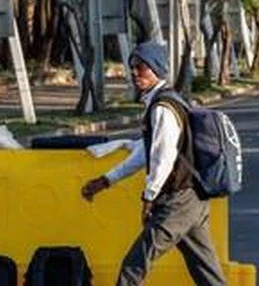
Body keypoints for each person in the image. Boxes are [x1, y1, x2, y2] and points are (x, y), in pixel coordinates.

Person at [80, 41, 226, 286]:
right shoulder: (164, 102)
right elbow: (144, 152)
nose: (135, 73)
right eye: (133, 67)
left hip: (177, 201)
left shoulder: (163, 108)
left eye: (142, 68)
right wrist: (107, 180)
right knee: (206, 273)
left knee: (134, 265)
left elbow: (163, 156)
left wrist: (149, 197)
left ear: (157, 69)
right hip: (193, 199)